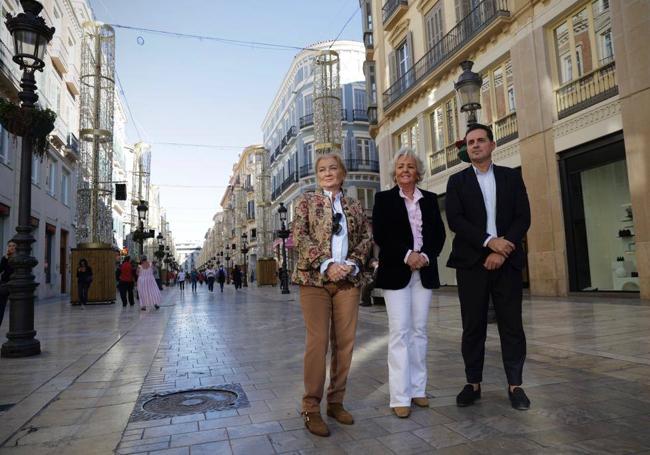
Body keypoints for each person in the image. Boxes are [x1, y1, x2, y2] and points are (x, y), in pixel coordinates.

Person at [446, 123, 531, 411]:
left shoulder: (510, 177)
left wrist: (502, 248)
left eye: (481, 140)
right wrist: (488, 242)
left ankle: (515, 385)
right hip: (472, 263)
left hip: (506, 262)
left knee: (512, 325)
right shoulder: (456, 182)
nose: (475, 145)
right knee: (473, 326)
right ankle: (473, 383)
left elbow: (523, 217)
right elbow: (456, 221)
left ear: (492, 145)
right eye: (470, 142)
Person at [292, 152, 372, 437]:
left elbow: (366, 237)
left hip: (348, 280)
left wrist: (350, 264)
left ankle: (335, 402)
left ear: (342, 173)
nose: (327, 172)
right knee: (318, 341)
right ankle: (311, 406)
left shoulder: (354, 205)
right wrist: (327, 265)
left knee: (345, 344)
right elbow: (300, 237)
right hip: (314, 280)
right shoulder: (306, 202)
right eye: (322, 169)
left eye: (333, 168)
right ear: (317, 175)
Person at [373, 148, 446, 418]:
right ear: (395, 172)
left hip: (423, 271)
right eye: (401, 166)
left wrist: (425, 255)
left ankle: (418, 389)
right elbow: (382, 234)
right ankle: (399, 397)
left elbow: (438, 234)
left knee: (419, 331)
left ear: (418, 172)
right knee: (400, 332)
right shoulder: (383, 199)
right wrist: (407, 255)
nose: (405, 170)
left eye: (410, 166)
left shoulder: (429, 199)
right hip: (396, 271)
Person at [0, 240, 17, 327]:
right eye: (10, 246)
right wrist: (5, 258)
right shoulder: (5, 258)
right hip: (5, 285)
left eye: (13, 245)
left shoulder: (18, 259)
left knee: (16, 308)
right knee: (1, 307)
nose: (11, 247)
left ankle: (16, 326)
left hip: (15, 286)